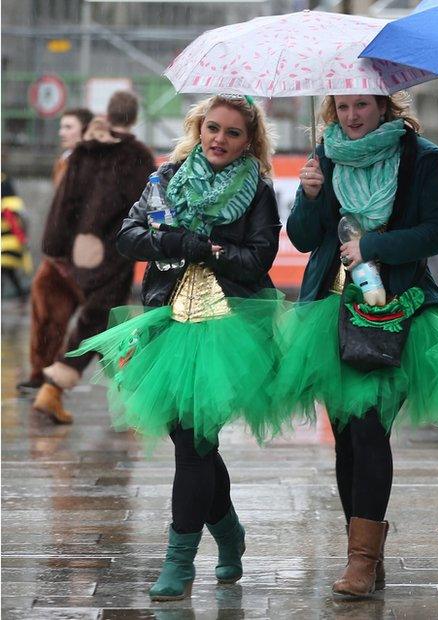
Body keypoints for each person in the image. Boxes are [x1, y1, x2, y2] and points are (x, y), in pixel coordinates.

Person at [69, 93, 287, 601]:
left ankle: (178, 563)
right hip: (168, 318)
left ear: (249, 141)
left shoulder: (256, 188)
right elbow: (129, 235)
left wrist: (209, 251)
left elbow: (258, 259)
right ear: (198, 127)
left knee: (193, 445)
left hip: (226, 325)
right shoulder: (167, 178)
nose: (220, 139)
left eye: (234, 133)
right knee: (195, 446)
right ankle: (229, 532)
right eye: (213, 128)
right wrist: (175, 242)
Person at [277, 91, 438, 598]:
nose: (352, 116)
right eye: (343, 106)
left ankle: (361, 560)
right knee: (347, 434)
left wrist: (373, 245)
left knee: (370, 426)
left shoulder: (421, 157)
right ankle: (364, 552)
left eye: (362, 105)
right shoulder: (326, 153)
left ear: (384, 106)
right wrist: (309, 196)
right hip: (331, 309)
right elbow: (306, 238)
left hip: (396, 308)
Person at [30, 92, 155, 422]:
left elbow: (64, 201)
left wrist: (55, 247)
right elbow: (146, 206)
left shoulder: (84, 152)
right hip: (116, 250)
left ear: (108, 113)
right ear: (134, 116)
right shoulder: (138, 156)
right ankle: (54, 386)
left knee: (108, 320)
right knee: (97, 320)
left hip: (80, 250)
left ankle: (131, 396)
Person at [18, 107, 94, 391]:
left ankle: (131, 385)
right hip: (58, 253)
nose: (62, 132)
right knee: (45, 310)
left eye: (68, 127)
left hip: (85, 257)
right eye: (61, 127)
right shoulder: (64, 160)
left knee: (104, 323)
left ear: (85, 130)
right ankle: (41, 374)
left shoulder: (91, 163)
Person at [1, 173, 31, 298]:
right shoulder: (14, 206)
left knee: (5, 272)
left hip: (8, 246)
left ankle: (19, 294)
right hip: (12, 244)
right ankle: (21, 294)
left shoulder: (7, 207)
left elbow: (14, 225)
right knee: (9, 274)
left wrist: (22, 240)